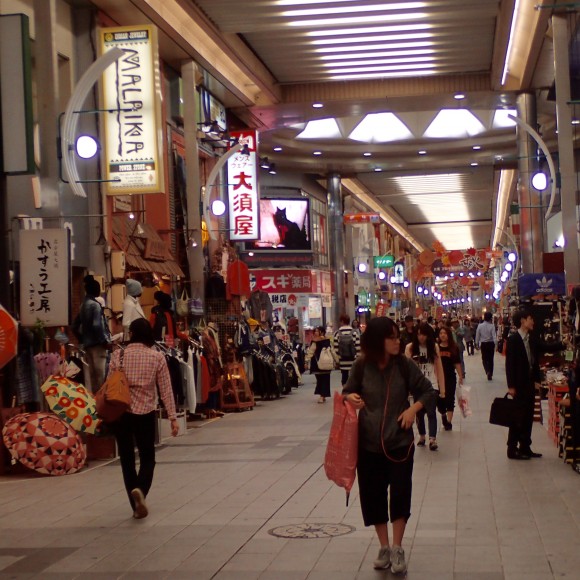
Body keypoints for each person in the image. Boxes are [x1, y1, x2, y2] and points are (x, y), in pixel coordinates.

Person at [343, 317, 436, 574]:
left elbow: (429, 391)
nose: (398, 341)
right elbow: (345, 393)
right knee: (373, 496)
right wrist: (350, 397)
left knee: (400, 494)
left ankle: (397, 547)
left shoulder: (405, 366)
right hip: (368, 444)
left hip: (399, 443)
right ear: (377, 341)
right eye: (392, 337)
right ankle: (383, 547)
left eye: (398, 336)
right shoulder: (362, 366)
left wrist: (412, 410)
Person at [108, 318, 179, 518]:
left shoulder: (117, 355)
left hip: (121, 413)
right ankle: (141, 490)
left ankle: (135, 505)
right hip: (145, 414)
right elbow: (165, 390)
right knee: (148, 458)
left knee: (127, 459)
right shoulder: (156, 357)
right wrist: (172, 417)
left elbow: (109, 385)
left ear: (131, 334)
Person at [505, 310, 563, 460]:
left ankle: (525, 446)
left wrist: (563, 344)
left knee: (528, 415)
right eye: (530, 318)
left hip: (530, 383)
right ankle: (512, 449)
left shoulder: (531, 339)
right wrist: (511, 385)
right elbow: (509, 364)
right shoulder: (513, 339)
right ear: (523, 321)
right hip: (518, 385)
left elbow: (545, 348)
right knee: (518, 416)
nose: (533, 321)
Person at [405, 323, 445, 450]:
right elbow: (406, 369)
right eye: (418, 334)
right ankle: (422, 435)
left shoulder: (434, 347)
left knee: (431, 412)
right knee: (419, 413)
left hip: (432, 384)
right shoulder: (410, 348)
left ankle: (432, 439)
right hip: (417, 386)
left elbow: (439, 367)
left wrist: (442, 389)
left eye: (423, 334)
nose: (421, 337)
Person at [76, 275, 110, 393]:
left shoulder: (82, 305)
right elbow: (97, 325)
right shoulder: (95, 306)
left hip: (87, 345)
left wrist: (81, 339)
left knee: (91, 377)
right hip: (97, 345)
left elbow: (74, 326)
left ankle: (94, 402)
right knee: (100, 377)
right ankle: (100, 404)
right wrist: (104, 341)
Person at [437, 326, 463, 430]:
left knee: (450, 398)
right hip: (438, 378)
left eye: (445, 333)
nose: (442, 335)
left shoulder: (453, 347)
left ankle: (448, 421)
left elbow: (457, 363)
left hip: (450, 377)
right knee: (440, 400)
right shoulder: (436, 347)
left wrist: (461, 376)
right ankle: (443, 414)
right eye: (441, 333)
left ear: (448, 335)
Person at [306, 326, 332, 403]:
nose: (315, 333)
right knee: (323, 379)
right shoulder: (327, 340)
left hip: (318, 363)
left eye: (317, 331)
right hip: (326, 363)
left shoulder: (315, 341)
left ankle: (322, 395)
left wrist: (306, 361)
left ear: (322, 332)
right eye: (315, 331)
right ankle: (323, 395)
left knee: (322, 379)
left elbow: (311, 352)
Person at [333, 314, 361, 386]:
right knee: (353, 376)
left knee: (344, 376)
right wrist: (357, 357)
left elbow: (335, 348)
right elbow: (358, 347)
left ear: (342, 321)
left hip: (342, 359)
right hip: (353, 359)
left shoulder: (337, 333)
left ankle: (345, 391)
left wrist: (337, 359)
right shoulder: (354, 332)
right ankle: (352, 391)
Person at [475, 311, 497, 380]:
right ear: (490, 318)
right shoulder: (492, 326)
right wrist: (496, 345)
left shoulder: (480, 326)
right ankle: (491, 372)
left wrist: (477, 343)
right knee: (491, 359)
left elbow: (477, 335)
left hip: (484, 344)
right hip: (491, 344)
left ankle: (487, 371)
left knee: (484, 359)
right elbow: (494, 336)